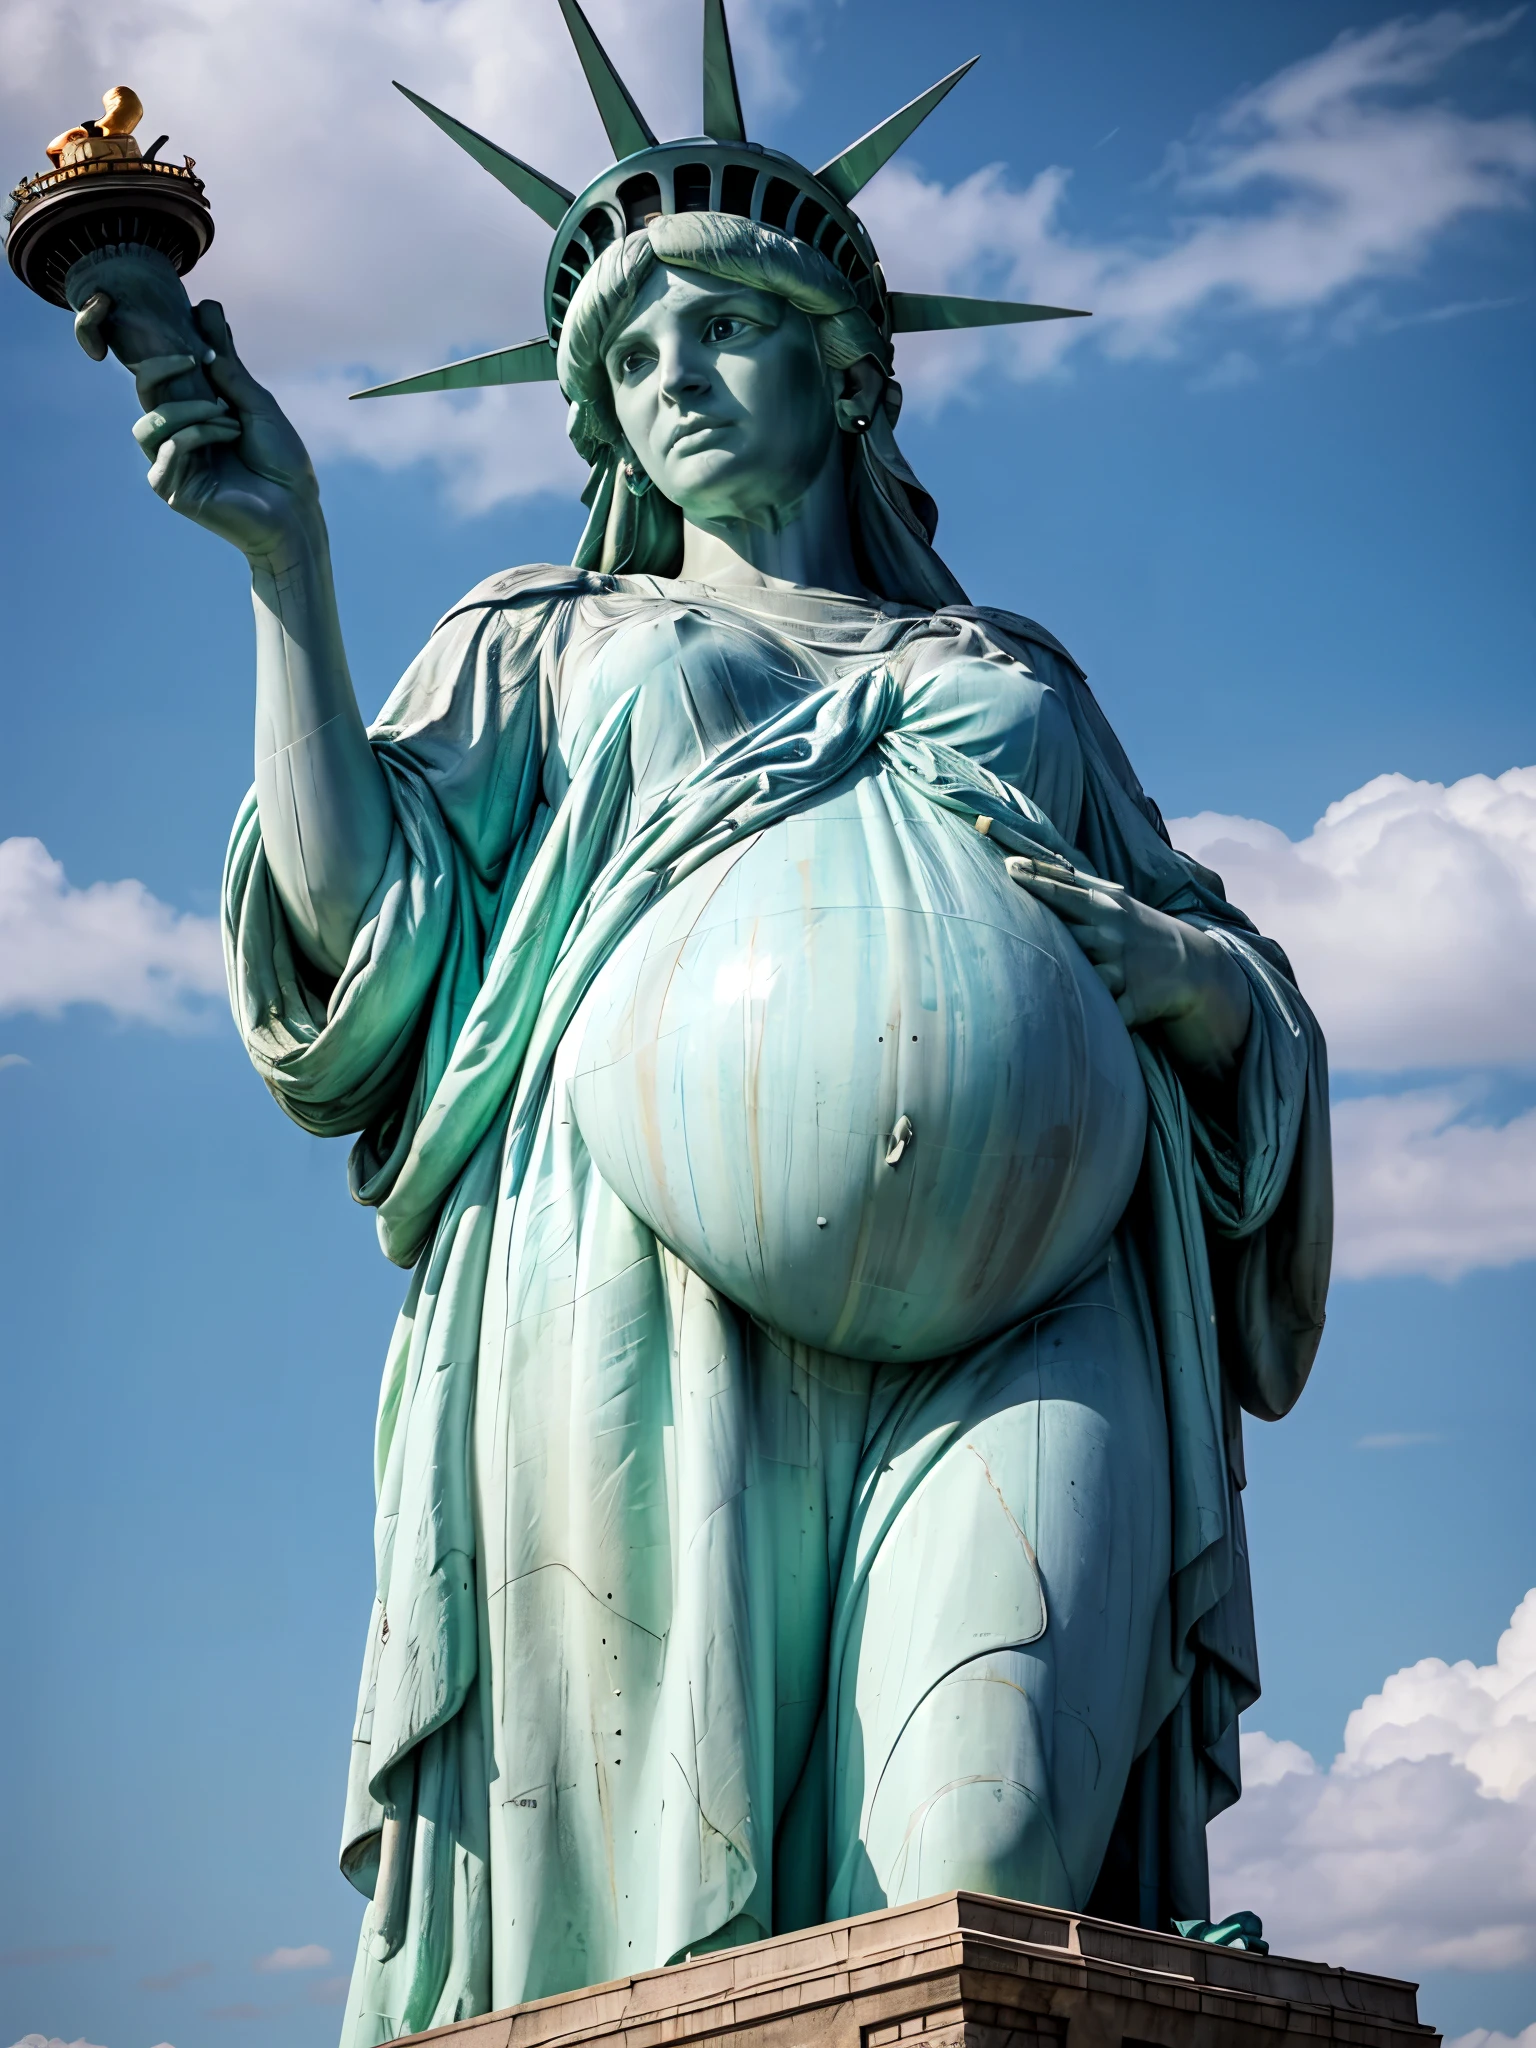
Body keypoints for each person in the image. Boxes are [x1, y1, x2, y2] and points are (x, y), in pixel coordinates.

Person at [126, 208, 1329, 2042]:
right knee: (669, 1922)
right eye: (626, 359)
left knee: (987, 1871)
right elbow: (358, 947)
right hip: (640, 1311)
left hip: (1045, 1300)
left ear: (850, 371)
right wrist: (289, 573)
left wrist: (1193, 980)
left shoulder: (1025, 675)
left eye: (720, 331)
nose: (669, 381)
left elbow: (1239, 984)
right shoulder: (549, 637)